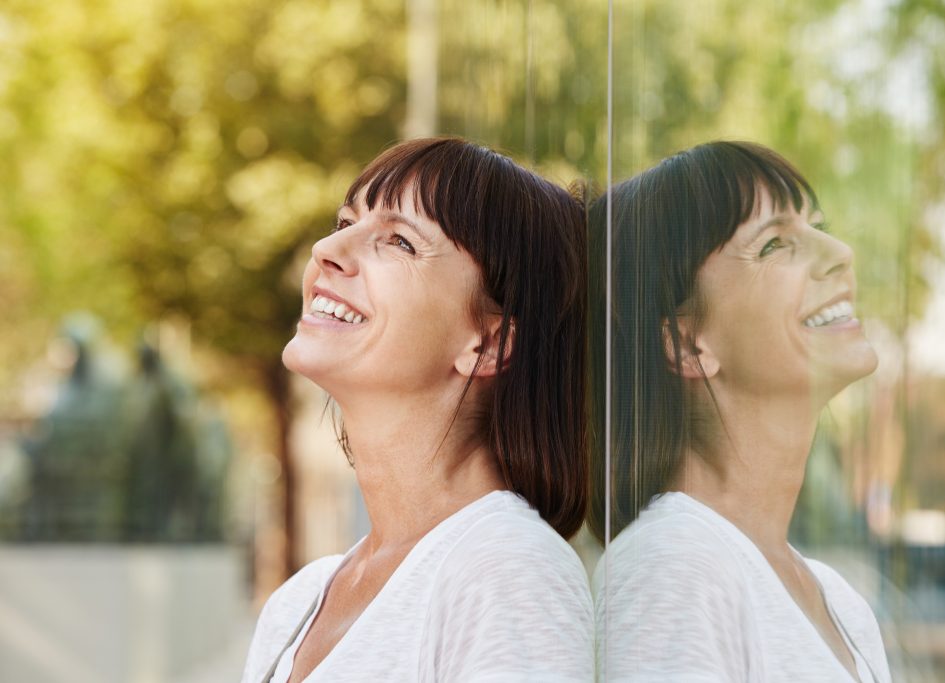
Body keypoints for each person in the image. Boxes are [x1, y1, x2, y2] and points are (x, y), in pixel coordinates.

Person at [241, 137, 593, 682]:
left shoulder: (506, 574)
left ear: (490, 343)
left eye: (400, 242)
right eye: (344, 223)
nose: (326, 251)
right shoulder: (298, 602)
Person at [588, 141, 892, 682]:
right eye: (774, 245)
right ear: (686, 344)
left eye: (815, 225)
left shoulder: (838, 601)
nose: (840, 251)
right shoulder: (672, 574)